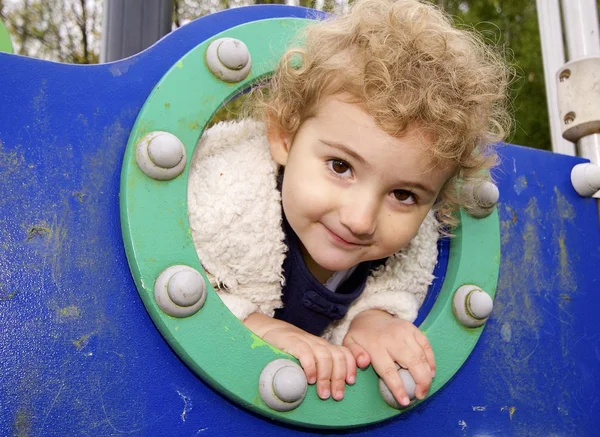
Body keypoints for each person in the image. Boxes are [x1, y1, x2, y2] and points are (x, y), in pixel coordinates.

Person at [188, 0, 511, 408]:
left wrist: (373, 320)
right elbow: (184, 277)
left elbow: (390, 290)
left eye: (403, 195)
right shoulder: (226, 207)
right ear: (284, 136)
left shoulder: (398, 258)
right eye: (340, 166)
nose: (360, 220)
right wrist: (252, 325)